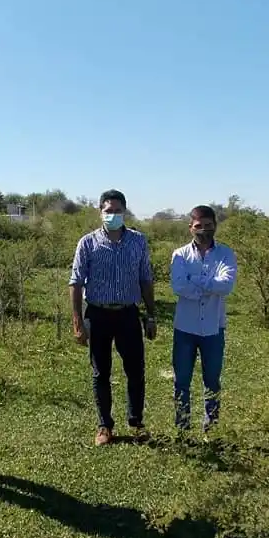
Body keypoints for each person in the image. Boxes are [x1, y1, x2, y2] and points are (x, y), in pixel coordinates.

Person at [69, 189, 156, 446]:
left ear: (125, 212)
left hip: (128, 314)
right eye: (108, 211)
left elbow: (146, 278)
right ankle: (104, 426)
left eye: (117, 211)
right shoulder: (88, 243)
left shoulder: (138, 241)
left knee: (135, 371)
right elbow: (76, 282)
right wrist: (77, 322)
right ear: (100, 212)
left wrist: (151, 315)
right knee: (100, 372)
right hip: (97, 315)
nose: (113, 215)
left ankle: (137, 423)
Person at [169, 205, 237, 432]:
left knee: (212, 381)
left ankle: (211, 427)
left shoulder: (225, 254)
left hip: (213, 328)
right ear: (190, 228)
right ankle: (183, 426)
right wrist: (209, 283)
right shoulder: (180, 254)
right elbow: (179, 286)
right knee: (182, 381)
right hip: (185, 328)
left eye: (208, 225)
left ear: (215, 226)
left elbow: (226, 285)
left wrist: (195, 280)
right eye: (198, 226)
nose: (203, 230)